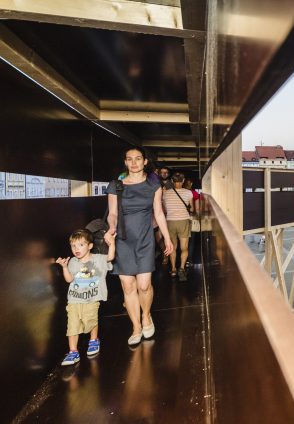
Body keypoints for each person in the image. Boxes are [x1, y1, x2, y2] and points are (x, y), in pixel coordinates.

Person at [107, 147, 174, 346]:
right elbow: (112, 213)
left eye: (138, 159)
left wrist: (167, 238)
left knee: (144, 285)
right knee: (128, 286)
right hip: (122, 240)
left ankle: (146, 316)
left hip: (145, 240)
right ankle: (136, 326)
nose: (134, 162)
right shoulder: (116, 185)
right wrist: (111, 227)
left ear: (145, 161)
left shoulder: (153, 185)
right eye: (129, 159)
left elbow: (159, 213)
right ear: (125, 162)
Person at [55, 229, 116, 365]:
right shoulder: (73, 262)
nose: (76, 249)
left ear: (90, 246)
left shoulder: (98, 259)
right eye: (73, 246)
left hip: (92, 299)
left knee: (90, 320)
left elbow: (110, 257)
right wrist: (64, 267)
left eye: (81, 245)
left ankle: (93, 340)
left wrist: (112, 244)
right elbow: (69, 279)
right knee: (72, 325)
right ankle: (73, 352)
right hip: (74, 299)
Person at [162, 172, 193, 281]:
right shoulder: (188, 193)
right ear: (183, 181)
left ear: (172, 181)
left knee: (172, 247)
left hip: (170, 221)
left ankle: (173, 269)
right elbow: (192, 208)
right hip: (183, 221)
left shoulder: (166, 194)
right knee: (184, 248)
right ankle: (182, 268)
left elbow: (164, 209)